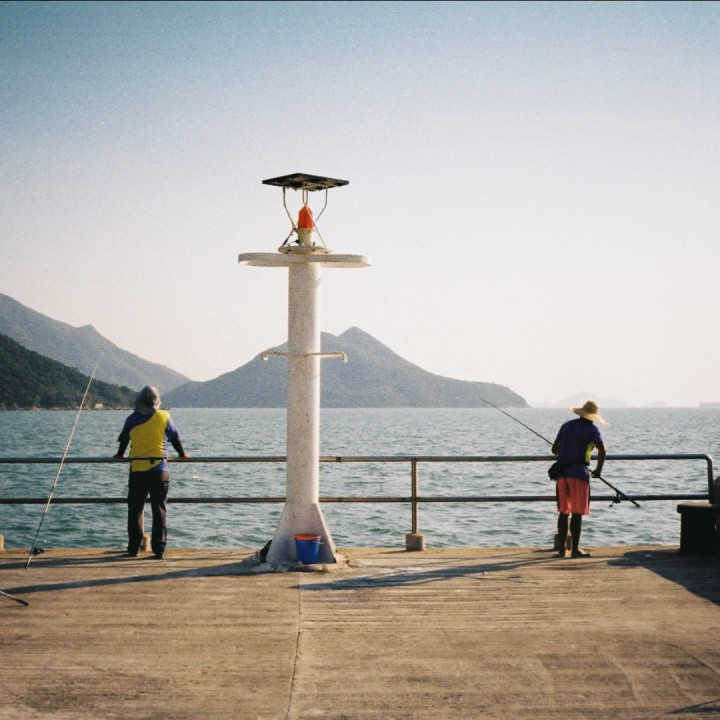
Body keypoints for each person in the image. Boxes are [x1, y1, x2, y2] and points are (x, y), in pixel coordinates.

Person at [114, 385, 187, 559]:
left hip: (137, 470)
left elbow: (124, 441)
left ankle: (133, 547)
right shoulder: (164, 416)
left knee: (135, 510)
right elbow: (175, 439)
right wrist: (182, 454)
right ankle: (159, 549)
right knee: (159, 510)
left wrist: (120, 454)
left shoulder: (132, 419)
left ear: (139, 402)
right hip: (159, 469)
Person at [551, 400, 606, 558]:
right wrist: (598, 470)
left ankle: (562, 550)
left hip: (562, 473)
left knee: (563, 512)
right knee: (577, 513)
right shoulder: (593, 429)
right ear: (593, 416)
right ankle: (575, 549)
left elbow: (554, 449)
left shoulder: (566, 426)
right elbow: (602, 449)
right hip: (579, 474)